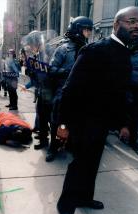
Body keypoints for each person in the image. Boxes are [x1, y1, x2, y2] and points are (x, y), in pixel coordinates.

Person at [55, 6, 138, 214]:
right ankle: (65, 205)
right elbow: (70, 89)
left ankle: (85, 197)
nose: (137, 26)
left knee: (93, 163)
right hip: (83, 121)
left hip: (102, 122)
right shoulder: (95, 50)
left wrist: (123, 122)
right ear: (116, 24)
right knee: (80, 164)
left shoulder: (125, 52)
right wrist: (63, 125)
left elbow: (120, 93)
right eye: (131, 21)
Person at [46, 16, 93, 162]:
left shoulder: (89, 49)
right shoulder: (63, 49)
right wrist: (69, 72)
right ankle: (53, 147)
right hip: (63, 92)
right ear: (78, 30)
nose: (89, 33)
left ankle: (70, 144)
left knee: (77, 121)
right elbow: (52, 70)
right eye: (86, 30)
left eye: (90, 30)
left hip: (81, 93)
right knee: (57, 121)